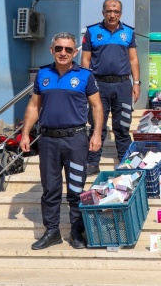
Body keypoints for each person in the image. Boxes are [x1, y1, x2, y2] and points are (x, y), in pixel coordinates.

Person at [20, 32, 103, 250]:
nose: (63, 53)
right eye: (59, 49)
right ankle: (52, 232)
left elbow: (97, 107)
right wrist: (25, 133)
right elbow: (33, 107)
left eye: (68, 49)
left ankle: (77, 232)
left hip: (75, 139)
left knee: (76, 188)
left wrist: (96, 134)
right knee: (50, 190)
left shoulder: (85, 76)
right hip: (48, 140)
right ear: (52, 50)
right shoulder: (43, 74)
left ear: (75, 52)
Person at [81, 0, 140, 176]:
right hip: (99, 85)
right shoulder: (92, 31)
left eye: (115, 11)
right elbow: (85, 59)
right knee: (97, 126)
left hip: (122, 85)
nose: (112, 14)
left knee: (122, 126)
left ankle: (125, 161)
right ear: (103, 12)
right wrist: (85, 84)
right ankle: (93, 162)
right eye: (108, 11)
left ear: (120, 13)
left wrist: (136, 83)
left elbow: (133, 60)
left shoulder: (128, 32)